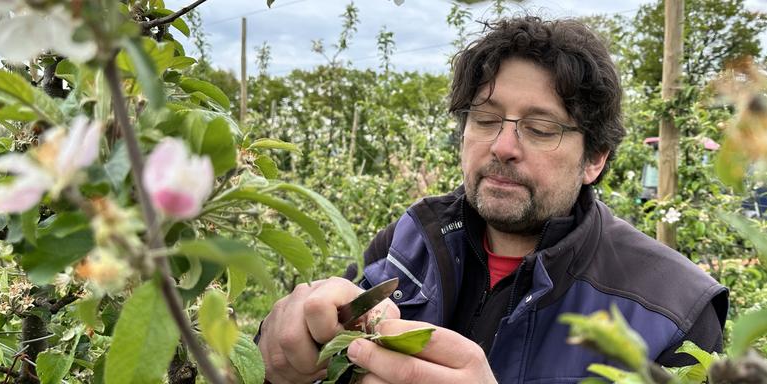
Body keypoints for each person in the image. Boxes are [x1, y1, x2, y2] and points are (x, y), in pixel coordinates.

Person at [256, 16, 729, 384]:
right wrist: (283, 351)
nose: (502, 146)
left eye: (541, 129)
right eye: (485, 120)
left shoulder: (672, 311)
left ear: (594, 160)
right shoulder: (408, 245)